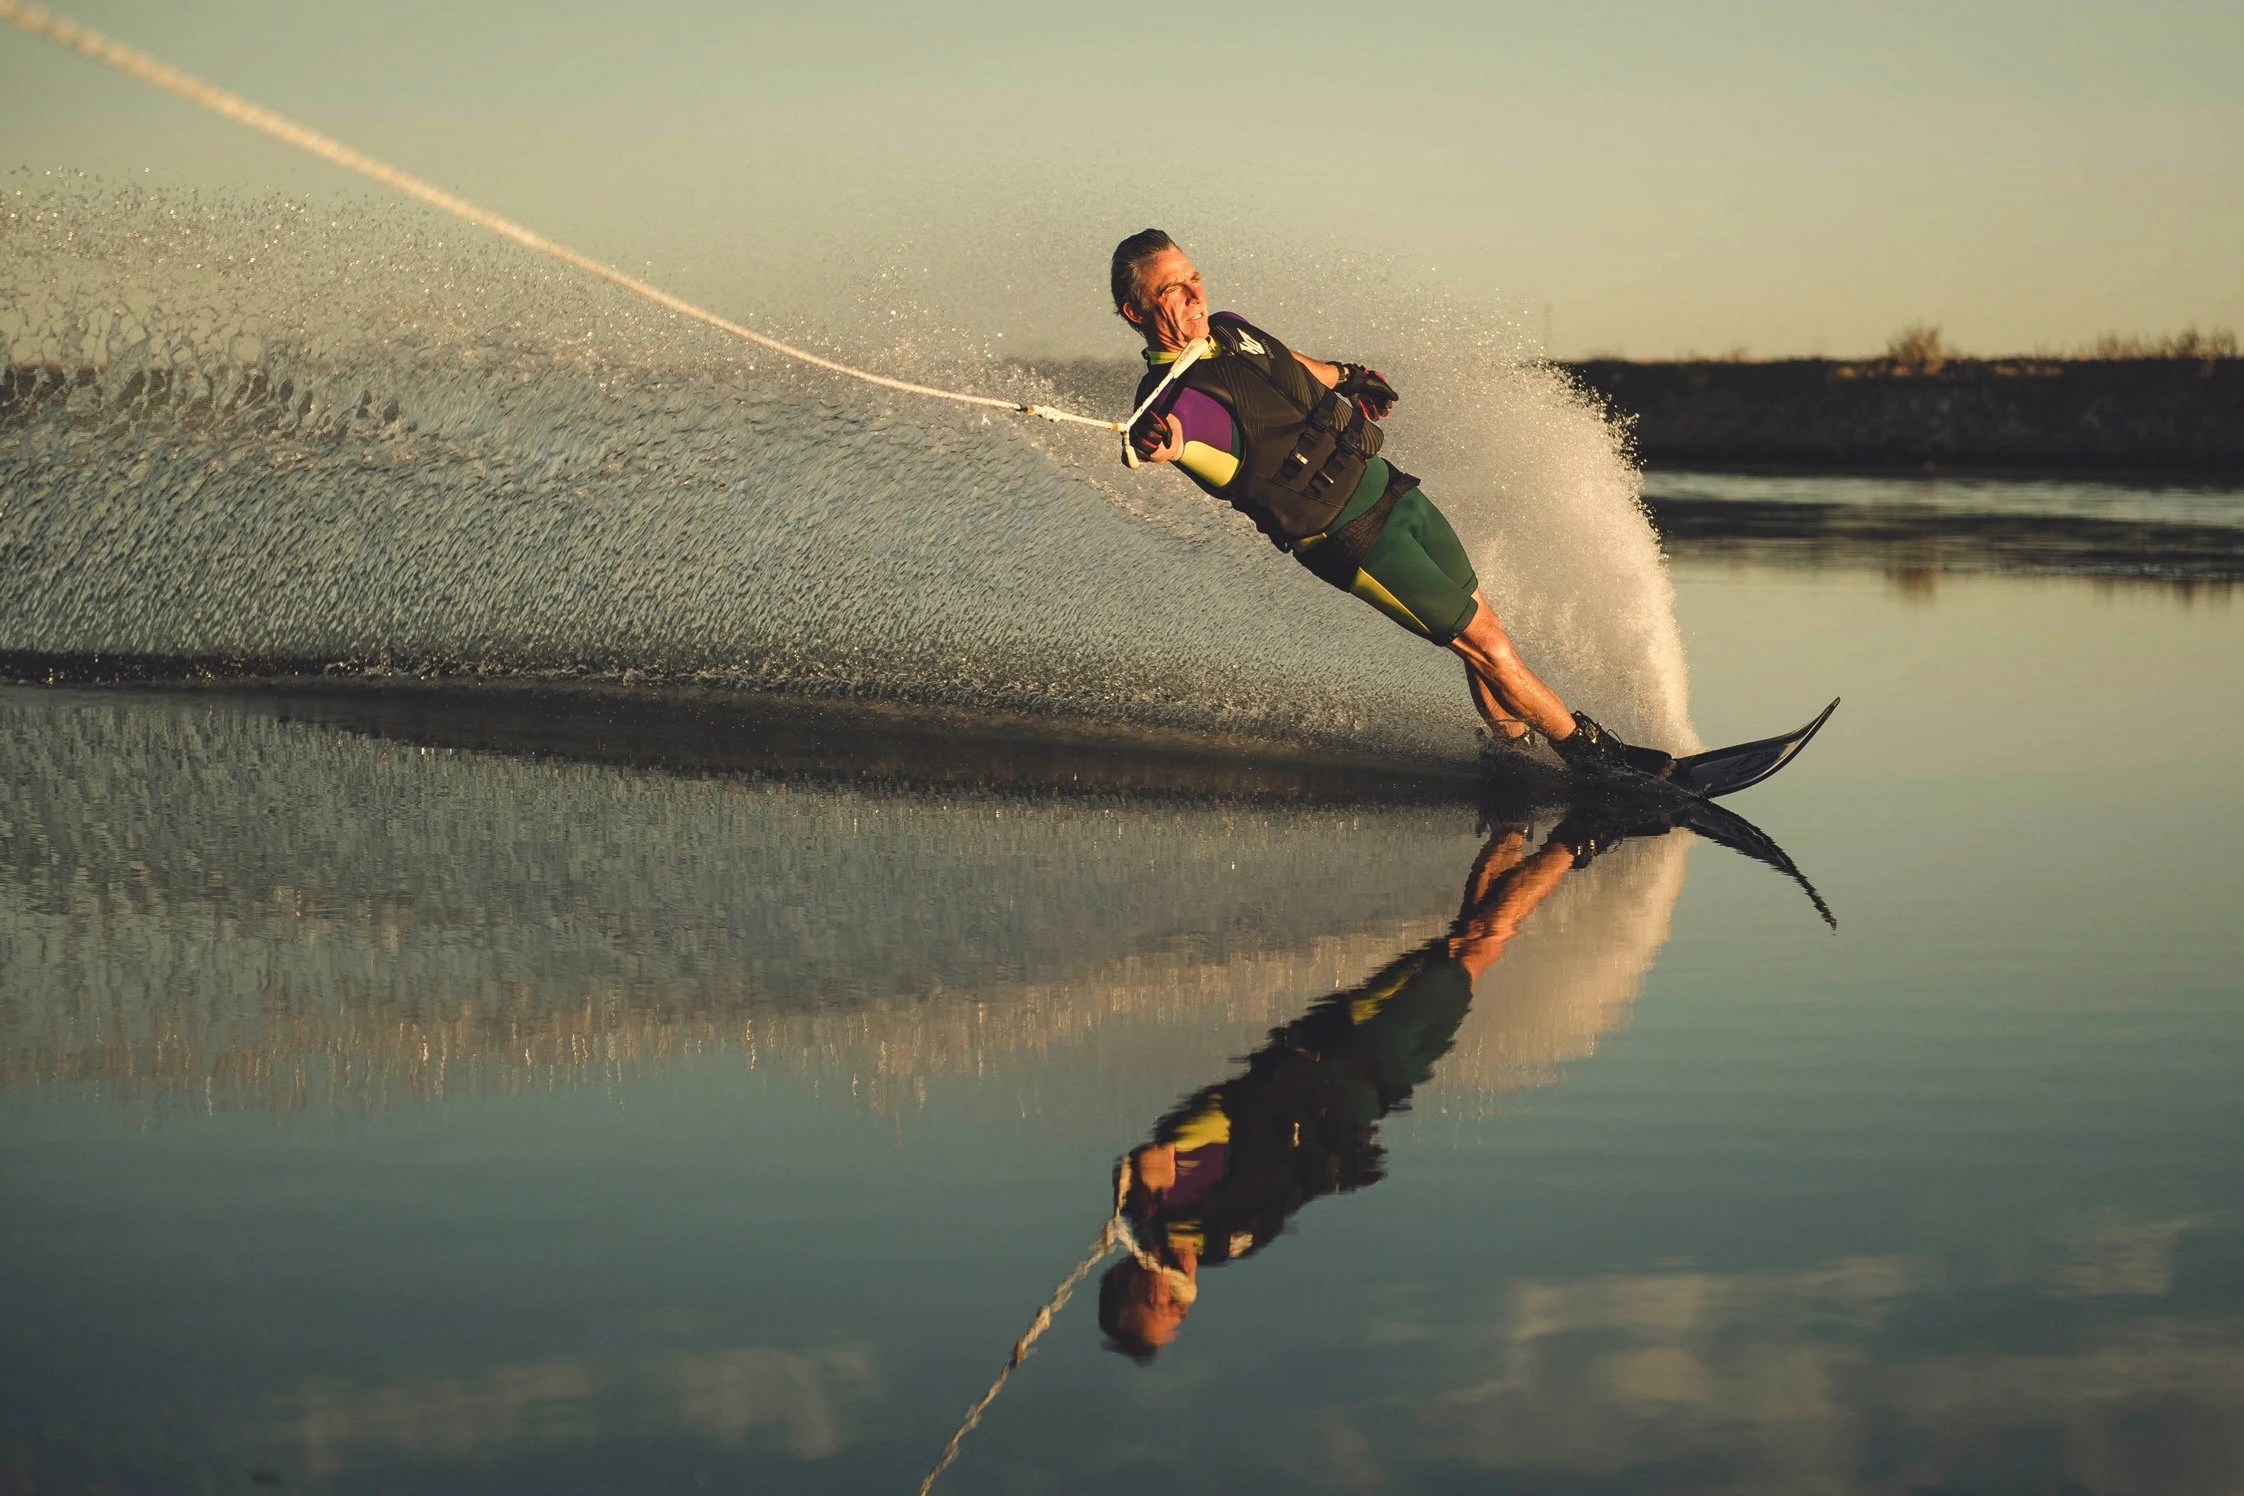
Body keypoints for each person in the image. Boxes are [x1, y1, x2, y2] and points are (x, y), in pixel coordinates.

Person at [1110, 228, 1673, 779]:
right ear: (1138, 312)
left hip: (1391, 490)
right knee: (1490, 649)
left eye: (1194, 279)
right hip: (1350, 538)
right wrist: (1164, 444)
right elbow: (1185, 440)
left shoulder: (1229, 329)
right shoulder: (1170, 401)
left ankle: (1512, 763)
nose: (1193, 295)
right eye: (1170, 290)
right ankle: (1603, 763)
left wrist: (1350, 378)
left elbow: (1290, 365)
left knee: (1484, 630)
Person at [1096, 809, 1655, 1359]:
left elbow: (1185, 1137)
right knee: (1467, 941)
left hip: (1340, 1048)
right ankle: (1514, 815)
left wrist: (1151, 1176)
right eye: (1177, 1310)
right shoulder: (1228, 1242)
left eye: (1158, 1300)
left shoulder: (1160, 1205)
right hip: (1380, 1089)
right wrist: (1339, 1170)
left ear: (1131, 1280)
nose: (1173, 1296)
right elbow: (1294, 1184)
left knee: (1478, 946)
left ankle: (1589, 830)